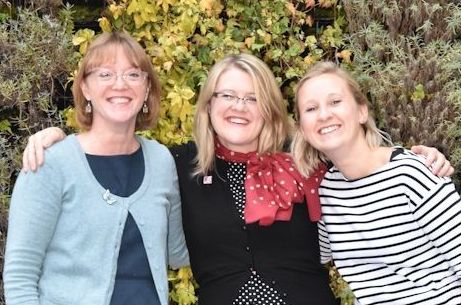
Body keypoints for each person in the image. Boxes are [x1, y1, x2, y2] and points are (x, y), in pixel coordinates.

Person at [21, 55, 453, 305]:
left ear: (268, 108)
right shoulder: (176, 164)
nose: (238, 107)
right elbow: (114, 146)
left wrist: (416, 156)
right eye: (227, 95)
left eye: (251, 97)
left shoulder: (305, 162)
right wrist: (57, 137)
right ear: (209, 105)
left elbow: (361, 159)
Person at [3, 32, 189, 305]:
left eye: (134, 75)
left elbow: (179, 252)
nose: (120, 84)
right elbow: (20, 277)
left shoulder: (161, 162)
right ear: (86, 88)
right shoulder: (50, 164)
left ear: (147, 88)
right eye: (105, 74)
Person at [291, 61, 461, 305]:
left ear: (362, 111)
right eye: (311, 108)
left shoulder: (412, 174)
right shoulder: (327, 192)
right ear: (303, 130)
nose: (324, 114)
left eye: (335, 102)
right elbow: (309, 255)